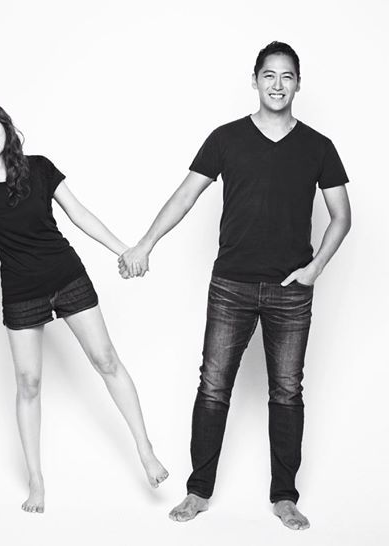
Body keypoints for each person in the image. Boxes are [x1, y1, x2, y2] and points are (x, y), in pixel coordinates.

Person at [118, 41, 351, 530]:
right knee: (213, 386)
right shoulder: (226, 138)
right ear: (255, 80)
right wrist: (144, 244)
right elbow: (184, 196)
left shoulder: (319, 146)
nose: (277, 84)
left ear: (298, 84)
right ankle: (198, 492)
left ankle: (284, 497)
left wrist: (314, 268)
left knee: (287, 391)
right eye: (269, 75)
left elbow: (341, 216)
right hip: (231, 286)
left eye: (287, 76)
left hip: (291, 290)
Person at [0, 98, 168, 514]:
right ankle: (36, 479)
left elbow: (80, 214)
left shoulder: (39, 168)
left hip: (67, 277)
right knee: (28, 384)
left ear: (5, 126)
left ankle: (145, 449)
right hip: (20, 292)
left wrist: (125, 249)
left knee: (106, 360)